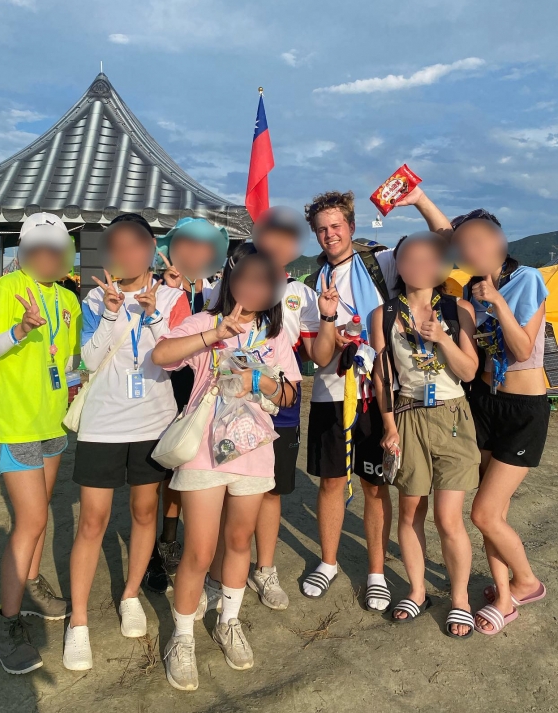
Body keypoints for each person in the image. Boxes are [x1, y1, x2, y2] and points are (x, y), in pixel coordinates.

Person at [152, 244, 302, 692]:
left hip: (254, 450)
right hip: (202, 451)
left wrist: (275, 385)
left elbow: (292, 394)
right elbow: (162, 356)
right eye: (247, 278)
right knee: (199, 549)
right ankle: (181, 638)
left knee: (239, 541)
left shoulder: (275, 337)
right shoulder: (205, 322)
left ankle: (229, 621)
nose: (254, 288)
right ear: (230, 281)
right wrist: (216, 335)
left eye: (264, 281)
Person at [302, 186, 451, 610]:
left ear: (351, 226)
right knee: (331, 481)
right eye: (321, 229)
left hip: (382, 392)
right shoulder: (313, 281)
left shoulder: (380, 261)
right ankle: (328, 563)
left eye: (336, 226)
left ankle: (376, 572)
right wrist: (332, 325)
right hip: (332, 390)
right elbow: (320, 352)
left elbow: (442, 241)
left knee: (373, 485)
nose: (329, 235)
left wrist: (419, 199)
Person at [62, 215, 190, 671]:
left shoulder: (175, 298)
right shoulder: (96, 296)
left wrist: (153, 315)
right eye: (118, 246)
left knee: (143, 512)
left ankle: (131, 593)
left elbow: (172, 363)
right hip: (102, 423)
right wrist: (113, 311)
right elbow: (90, 358)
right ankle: (78, 622)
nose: (127, 254)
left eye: (136, 245)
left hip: (153, 422)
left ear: (152, 247)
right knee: (92, 521)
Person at [206, 208, 335, 612]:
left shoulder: (301, 294)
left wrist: (330, 320)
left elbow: (318, 354)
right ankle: (217, 574)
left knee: (270, 493)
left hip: (278, 409)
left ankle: (264, 569)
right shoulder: (231, 284)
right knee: (226, 493)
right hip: (226, 409)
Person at [0, 213, 82, 674]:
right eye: (38, 249)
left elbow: (70, 358)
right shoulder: (5, 289)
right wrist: (19, 330)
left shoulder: (68, 298)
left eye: (55, 250)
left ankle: (33, 586)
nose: (47, 257)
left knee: (41, 511)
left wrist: (76, 385)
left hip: (53, 420)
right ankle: (6, 626)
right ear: (24, 250)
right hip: (15, 421)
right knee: (31, 518)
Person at [371, 232, 480, 638]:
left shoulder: (459, 309)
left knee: (448, 517)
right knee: (410, 511)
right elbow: (383, 378)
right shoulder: (382, 315)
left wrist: (443, 338)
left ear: (441, 265)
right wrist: (389, 428)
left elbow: (468, 372)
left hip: (453, 415)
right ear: (397, 265)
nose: (418, 265)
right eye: (408, 258)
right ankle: (418, 592)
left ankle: (461, 599)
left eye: (427, 257)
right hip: (408, 414)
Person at [451, 209, 550, 636]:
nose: (469, 251)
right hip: (486, 403)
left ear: (498, 241)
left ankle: (527, 581)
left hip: (524, 410)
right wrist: (416, 197)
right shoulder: (473, 289)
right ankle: (504, 594)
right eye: (463, 246)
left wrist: (497, 302)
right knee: (497, 510)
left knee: (484, 514)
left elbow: (523, 347)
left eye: (478, 242)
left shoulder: (527, 279)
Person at [152, 217, 230, 576]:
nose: (196, 252)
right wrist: (169, 294)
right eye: (188, 244)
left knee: (198, 466)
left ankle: (200, 546)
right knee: (169, 467)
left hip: (206, 391)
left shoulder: (219, 288)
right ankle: (166, 540)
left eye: (204, 246)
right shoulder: (156, 289)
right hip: (165, 387)